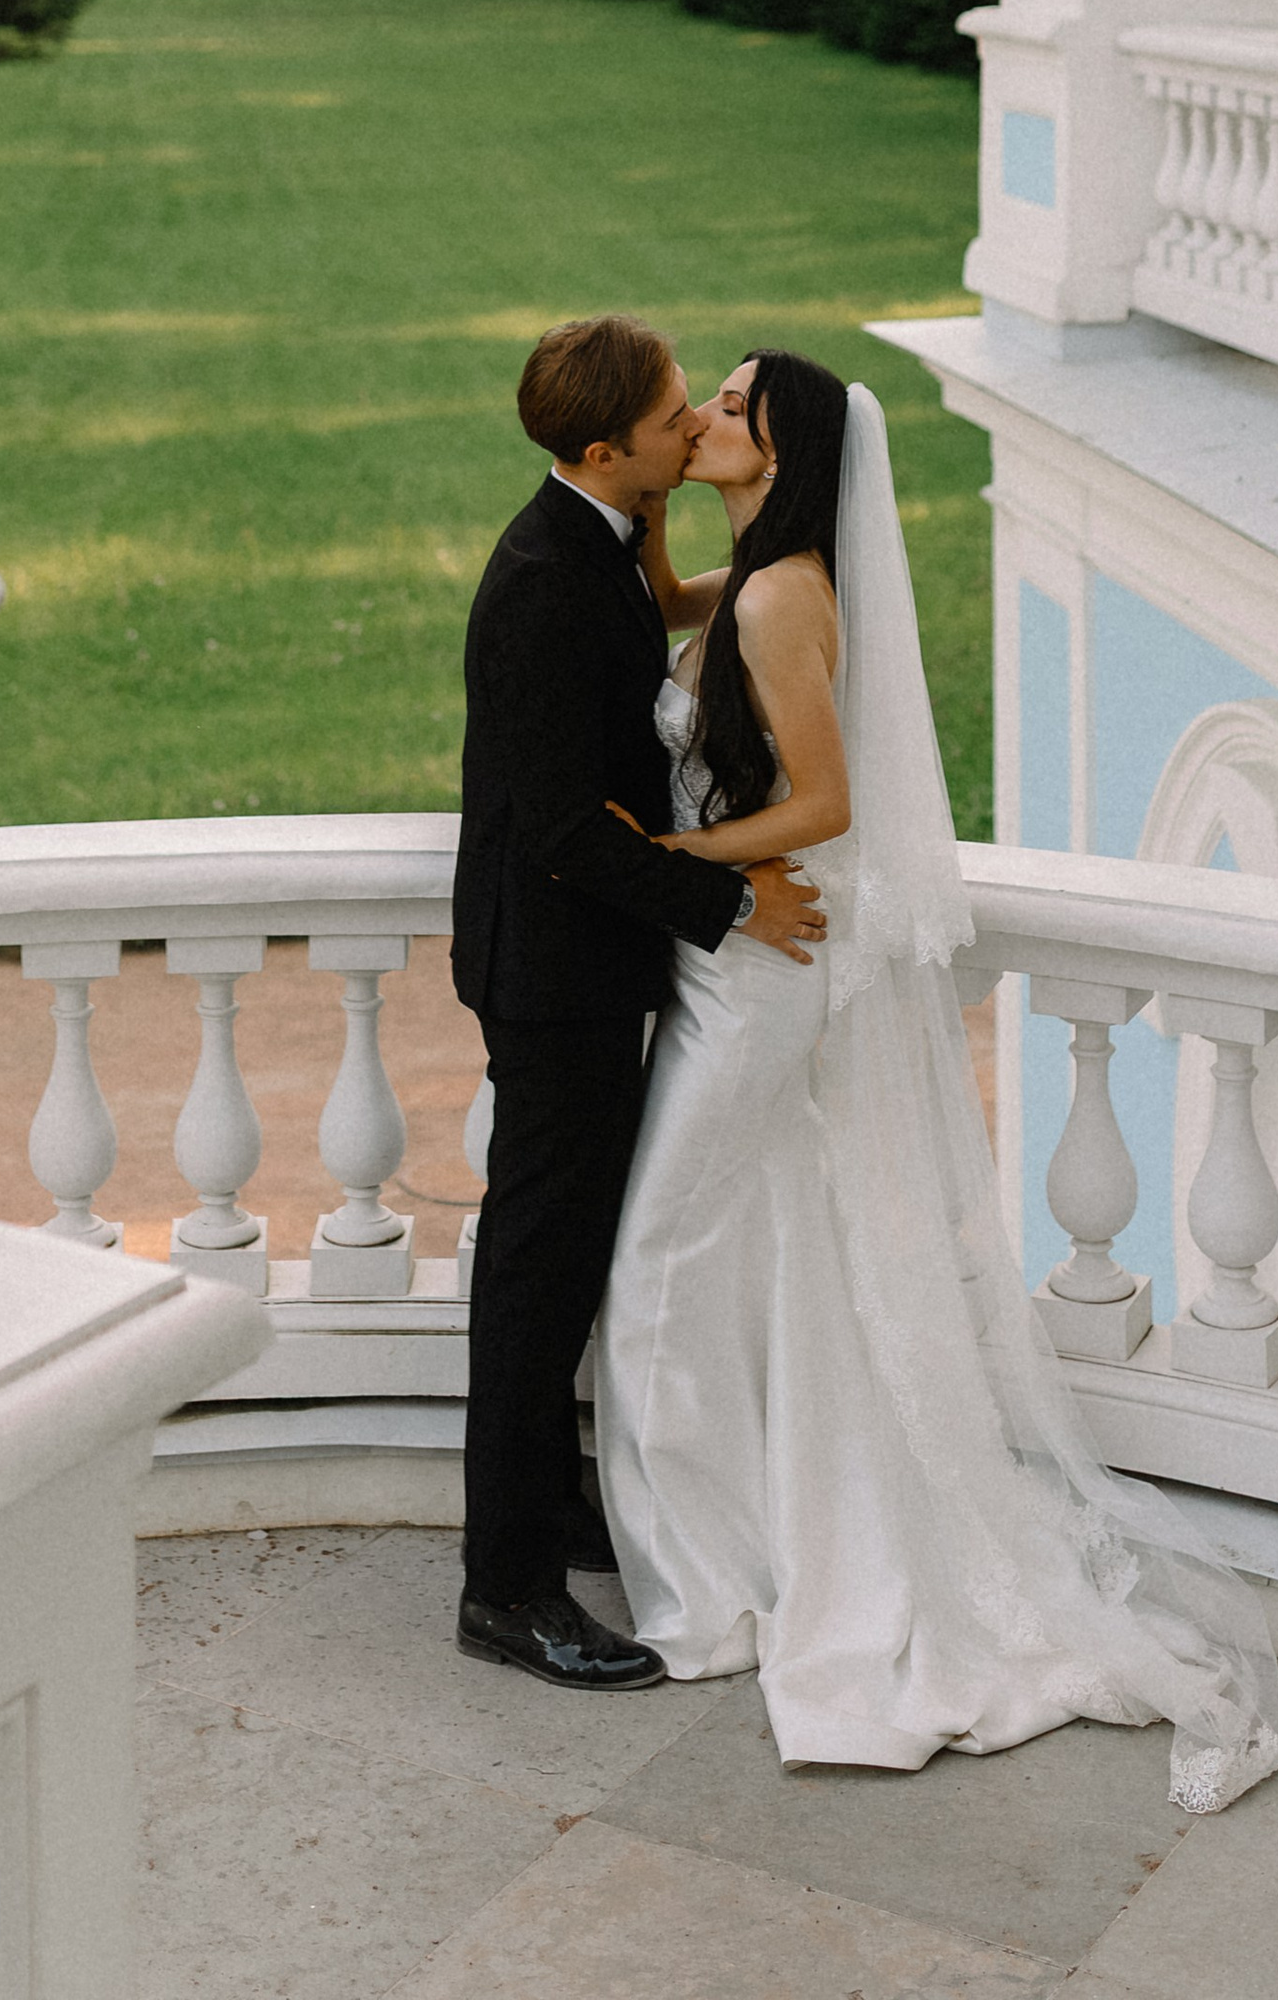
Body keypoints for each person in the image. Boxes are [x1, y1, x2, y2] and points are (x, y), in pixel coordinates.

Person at [593, 349, 1278, 1812]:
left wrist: (677, 863)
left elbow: (830, 803)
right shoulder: (753, 575)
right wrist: (650, 500)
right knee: (758, 1258)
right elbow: (669, 610)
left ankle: (700, 1601)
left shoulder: (788, 595)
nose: (708, 419)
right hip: (726, 967)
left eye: (733, 410)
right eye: (706, 403)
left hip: (760, 978)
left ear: (782, 455)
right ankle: (748, 1547)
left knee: (657, 1254)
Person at [450, 313, 826, 1693]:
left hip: (587, 968)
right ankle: (507, 1589)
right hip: (555, 979)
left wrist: (763, 559)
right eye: (672, 416)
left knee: (564, 1256)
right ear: (605, 448)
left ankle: (545, 1511)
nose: (690, 423)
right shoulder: (545, 584)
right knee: (536, 1276)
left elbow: (653, 612)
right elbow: (563, 830)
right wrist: (737, 905)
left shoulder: (603, 535)